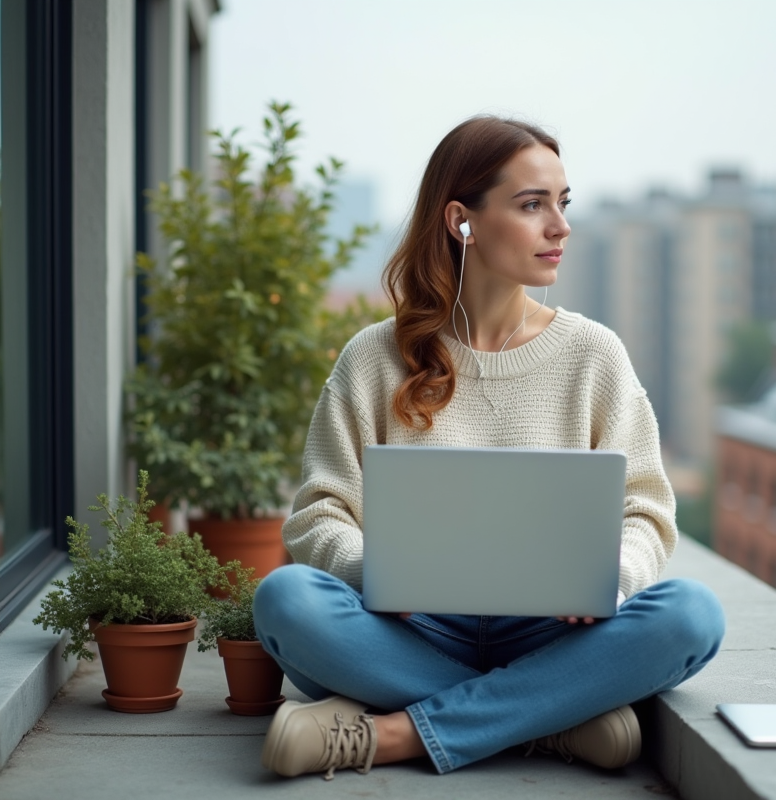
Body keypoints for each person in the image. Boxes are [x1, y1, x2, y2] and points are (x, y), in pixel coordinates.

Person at [252, 116, 725, 780]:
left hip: (556, 630)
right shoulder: (374, 357)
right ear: (461, 221)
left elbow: (646, 511)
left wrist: (612, 577)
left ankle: (391, 735)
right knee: (286, 601)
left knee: (692, 615)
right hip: (409, 629)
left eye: (563, 204)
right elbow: (318, 514)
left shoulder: (594, 355)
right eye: (533, 205)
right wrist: (376, 572)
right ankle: (555, 720)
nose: (560, 226)